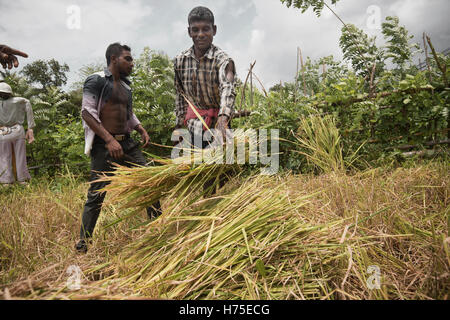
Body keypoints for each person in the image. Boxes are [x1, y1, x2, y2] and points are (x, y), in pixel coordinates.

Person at [76, 43, 161, 253]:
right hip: (104, 146)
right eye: (128, 59)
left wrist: (140, 128)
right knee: (97, 195)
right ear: (114, 59)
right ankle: (83, 243)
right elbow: (87, 113)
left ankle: (159, 231)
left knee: (150, 181)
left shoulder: (126, 86)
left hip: (128, 144)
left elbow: (128, 113)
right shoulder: (96, 80)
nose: (132, 63)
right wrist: (108, 140)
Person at [174, 6, 236, 150]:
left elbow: (228, 89)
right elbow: (180, 95)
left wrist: (223, 119)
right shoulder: (180, 61)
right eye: (195, 30)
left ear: (214, 30)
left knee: (222, 168)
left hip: (219, 126)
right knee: (194, 169)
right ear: (189, 31)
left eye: (205, 29)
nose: (200, 34)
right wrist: (178, 127)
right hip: (192, 127)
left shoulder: (224, 61)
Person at [0, 82, 35, 186]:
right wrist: (30, 127)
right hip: (17, 130)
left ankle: (6, 181)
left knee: (4, 157)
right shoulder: (18, 101)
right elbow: (27, 102)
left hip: (2, 132)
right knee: (20, 156)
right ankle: (22, 179)